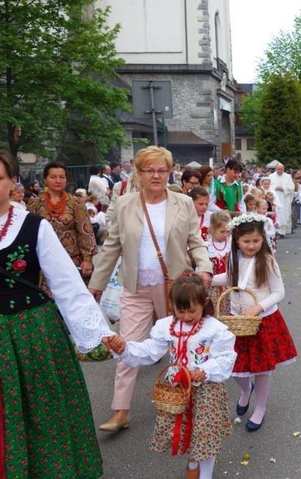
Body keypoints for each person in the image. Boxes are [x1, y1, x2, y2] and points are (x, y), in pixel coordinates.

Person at [0, 148, 115, 477]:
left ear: (13, 182)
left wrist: (98, 333)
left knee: (39, 410)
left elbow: (67, 284)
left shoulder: (33, 226)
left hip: (30, 332)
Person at [88, 146, 213, 432]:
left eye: (162, 170)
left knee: (182, 346)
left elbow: (196, 242)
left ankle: (185, 402)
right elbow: (112, 247)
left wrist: (204, 268)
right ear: (139, 173)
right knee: (127, 346)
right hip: (136, 287)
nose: (156, 175)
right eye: (149, 170)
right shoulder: (124, 204)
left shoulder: (183, 202)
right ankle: (121, 411)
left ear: (170, 172)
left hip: (175, 289)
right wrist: (96, 285)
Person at [107, 272, 236, 479]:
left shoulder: (215, 329)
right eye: (180, 311)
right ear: (172, 306)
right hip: (177, 391)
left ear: (204, 303)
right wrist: (125, 349)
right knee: (187, 430)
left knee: (205, 434)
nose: (185, 316)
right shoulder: (167, 326)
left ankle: (205, 474)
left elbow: (226, 357)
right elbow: (151, 351)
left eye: (191, 311)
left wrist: (205, 370)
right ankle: (193, 461)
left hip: (206, 391)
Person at [212, 213, 297, 431]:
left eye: (256, 241)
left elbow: (278, 292)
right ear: (236, 241)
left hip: (262, 321)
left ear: (263, 240)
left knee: (262, 369)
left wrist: (258, 307)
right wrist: (208, 279)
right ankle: (244, 389)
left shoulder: (267, 260)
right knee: (232, 363)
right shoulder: (234, 258)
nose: (251, 246)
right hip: (236, 321)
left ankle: (260, 407)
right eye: (246, 241)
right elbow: (230, 279)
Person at [27, 161, 98, 282]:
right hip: (44, 261)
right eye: (53, 177)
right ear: (45, 179)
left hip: (72, 260)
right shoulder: (35, 203)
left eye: (62, 177)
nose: (58, 180)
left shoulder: (76, 202)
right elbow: (29, 232)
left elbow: (85, 232)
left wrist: (87, 259)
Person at [207, 210, 232, 314]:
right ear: (212, 229)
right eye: (222, 231)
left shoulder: (231, 245)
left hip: (229, 287)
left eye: (228, 231)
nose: (225, 235)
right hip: (212, 288)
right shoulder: (206, 246)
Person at [268, 163, 296, 237]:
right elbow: (268, 186)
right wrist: (276, 187)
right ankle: (275, 231)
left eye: (281, 169)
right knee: (276, 214)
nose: (280, 171)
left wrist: (283, 188)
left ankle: (282, 231)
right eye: (278, 169)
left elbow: (292, 187)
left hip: (284, 198)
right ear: (275, 169)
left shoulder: (287, 177)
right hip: (274, 198)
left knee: (284, 214)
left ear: (283, 169)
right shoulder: (271, 176)